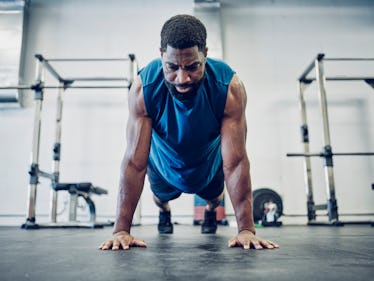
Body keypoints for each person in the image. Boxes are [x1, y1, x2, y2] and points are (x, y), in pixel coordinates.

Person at [99, 14, 279, 251]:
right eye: (172, 67)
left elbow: (235, 163)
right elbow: (134, 162)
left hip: (208, 165)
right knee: (161, 199)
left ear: (205, 53)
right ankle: (165, 214)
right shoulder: (145, 88)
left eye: (192, 66)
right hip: (163, 165)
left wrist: (246, 229)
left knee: (215, 199)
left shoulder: (228, 88)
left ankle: (209, 212)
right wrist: (121, 230)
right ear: (161, 55)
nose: (182, 78)